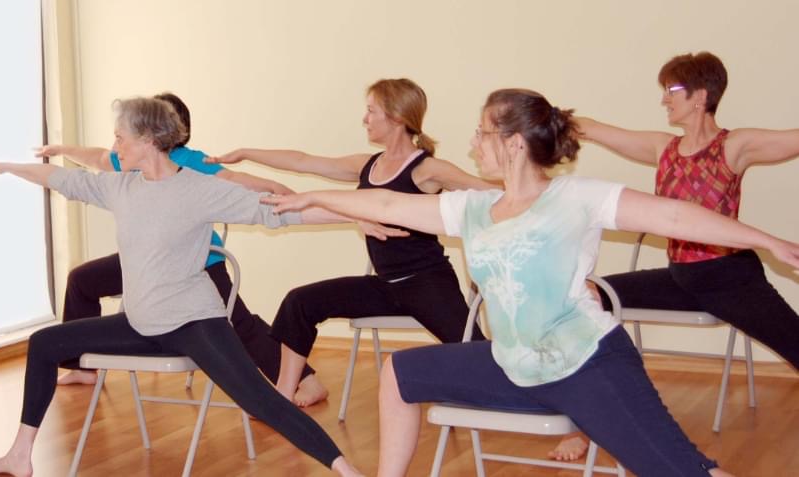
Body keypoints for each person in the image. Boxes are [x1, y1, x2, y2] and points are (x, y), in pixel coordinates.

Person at [261, 88, 794, 475]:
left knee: (684, 472)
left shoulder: (575, 197)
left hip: (590, 364)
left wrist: (764, 241)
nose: (474, 142)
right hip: (512, 364)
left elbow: (675, 218)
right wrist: (314, 197)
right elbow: (383, 202)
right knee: (399, 373)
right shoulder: (473, 208)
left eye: (483, 132)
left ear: (514, 143)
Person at [0, 97, 363, 477]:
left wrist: (359, 213)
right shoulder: (121, 187)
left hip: (194, 323)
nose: (114, 147)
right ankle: (20, 455)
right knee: (44, 343)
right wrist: (8, 167)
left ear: (147, 139)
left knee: (261, 400)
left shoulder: (196, 188)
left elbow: (278, 213)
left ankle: (345, 469)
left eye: (120, 137)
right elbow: (64, 180)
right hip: (140, 324)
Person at [550, 51, 799, 461]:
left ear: (701, 96)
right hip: (679, 280)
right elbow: (592, 129)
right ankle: (581, 422)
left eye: (673, 90)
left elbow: (790, 138)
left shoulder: (734, 146)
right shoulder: (662, 147)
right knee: (588, 296)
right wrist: (536, 118)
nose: (665, 99)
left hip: (731, 279)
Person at [210, 78, 495, 405]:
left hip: (427, 284)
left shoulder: (427, 169)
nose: (365, 119)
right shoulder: (367, 165)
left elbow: (484, 190)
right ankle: (282, 398)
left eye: (371, 111)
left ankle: (539, 402)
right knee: (300, 302)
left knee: (477, 351)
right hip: (385, 286)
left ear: (397, 117)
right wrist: (247, 153)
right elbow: (304, 161)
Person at [36, 93, 332, 404]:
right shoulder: (133, 158)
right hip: (149, 261)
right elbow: (97, 158)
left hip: (200, 261)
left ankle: (305, 380)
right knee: (83, 279)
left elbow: (233, 178)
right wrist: (61, 150)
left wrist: (277, 191)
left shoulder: (190, 161)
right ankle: (80, 366)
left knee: (238, 322)